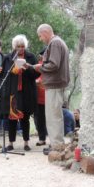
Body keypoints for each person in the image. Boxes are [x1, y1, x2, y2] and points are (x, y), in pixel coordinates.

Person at [33, 24, 70, 153]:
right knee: (55, 115)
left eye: (40, 36)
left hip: (54, 85)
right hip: (57, 84)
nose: (40, 39)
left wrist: (40, 67)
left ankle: (56, 146)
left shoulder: (54, 43)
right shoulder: (59, 42)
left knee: (53, 116)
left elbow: (54, 65)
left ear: (45, 32)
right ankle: (57, 145)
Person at [0, 34, 40, 151]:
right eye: (18, 46)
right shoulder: (8, 58)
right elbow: (3, 75)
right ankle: (11, 143)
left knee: (25, 118)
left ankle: (26, 143)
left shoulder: (30, 57)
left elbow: (37, 73)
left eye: (22, 46)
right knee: (12, 119)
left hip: (26, 93)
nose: (21, 48)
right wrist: (12, 71)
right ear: (14, 47)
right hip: (12, 93)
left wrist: (26, 68)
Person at [34, 48, 47, 146]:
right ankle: (41, 138)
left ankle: (53, 141)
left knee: (51, 119)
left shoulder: (52, 65)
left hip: (49, 96)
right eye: (43, 55)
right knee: (39, 118)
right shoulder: (38, 65)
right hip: (38, 96)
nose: (43, 56)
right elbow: (35, 76)